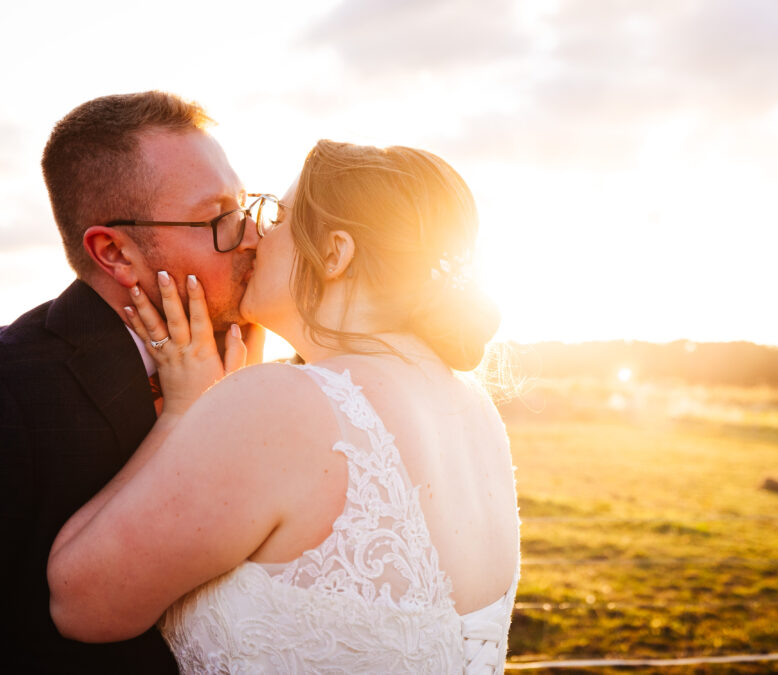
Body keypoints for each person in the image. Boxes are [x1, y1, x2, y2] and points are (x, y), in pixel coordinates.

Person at [47, 141, 519, 673]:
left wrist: (184, 412)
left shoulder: (282, 403)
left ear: (335, 255)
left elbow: (79, 602)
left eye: (278, 218)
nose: (253, 236)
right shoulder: (474, 407)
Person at [0, 91, 265, 673]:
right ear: (115, 252)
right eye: (218, 216)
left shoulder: (253, 365)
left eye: (245, 207)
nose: (250, 236)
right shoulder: (12, 397)